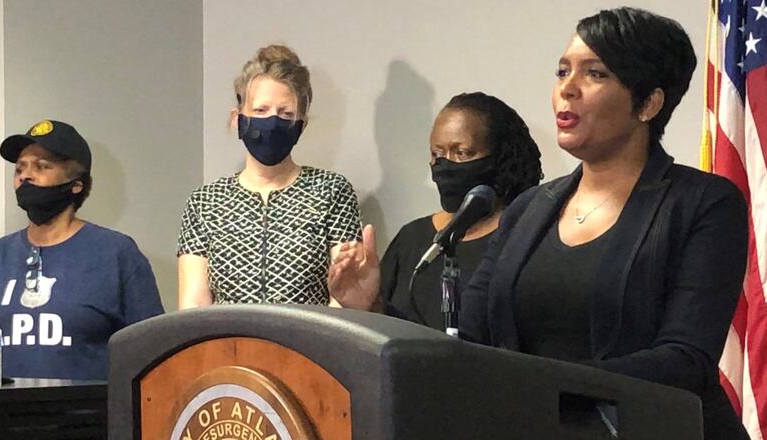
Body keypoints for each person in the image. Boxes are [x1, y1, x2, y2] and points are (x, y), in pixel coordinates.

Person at [329, 8, 749, 438]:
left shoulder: (703, 203)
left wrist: (536, 385)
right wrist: (374, 309)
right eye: (563, 71)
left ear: (648, 103)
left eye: (595, 74)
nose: (568, 88)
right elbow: (466, 346)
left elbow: (684, 361)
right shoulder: (529, 209)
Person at [0, 120, 164, 380]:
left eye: (41, 166)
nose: (25, 176)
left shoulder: (116, 253)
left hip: (86, 405)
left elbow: (153, 351)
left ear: (76, 184)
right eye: (19, 168)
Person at [177, 44, 362, 308]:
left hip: (309, 335)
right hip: (226, 336)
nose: (273, 122)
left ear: (301, 125)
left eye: (286, 114)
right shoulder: (204, 202)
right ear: (238, 119)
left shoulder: (331, 191)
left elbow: (345, 297)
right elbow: (194, 306)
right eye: (261, 111)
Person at [376, 92, 542, 330]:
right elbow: (382, 325)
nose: (445, 164)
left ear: (499, 158)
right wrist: (366, 303)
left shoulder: (522, 238)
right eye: (437, 154)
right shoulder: (412, 239)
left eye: (461, 153)